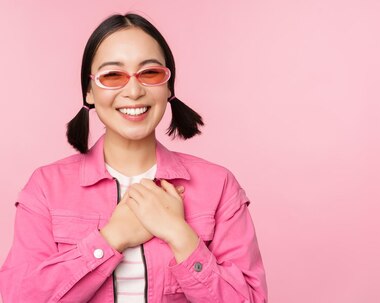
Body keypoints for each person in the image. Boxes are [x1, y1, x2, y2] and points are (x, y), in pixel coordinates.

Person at [0, 13, 268, 302]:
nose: (134, 91)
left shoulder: (218, 185)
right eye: (113, 75)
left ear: (168, 87)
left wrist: (180, 235)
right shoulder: (45, 187)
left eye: (149, 73)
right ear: (89, 91)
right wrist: (114, 237)